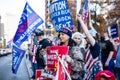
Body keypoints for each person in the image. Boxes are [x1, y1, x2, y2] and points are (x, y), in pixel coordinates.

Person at [77, 14, 103, 80]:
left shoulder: (95, 45)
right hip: (89, 71)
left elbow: (87, 33)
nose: (85, 39)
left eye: (86, 38)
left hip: (95, 71)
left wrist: (80, 20)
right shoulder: (89, 46)